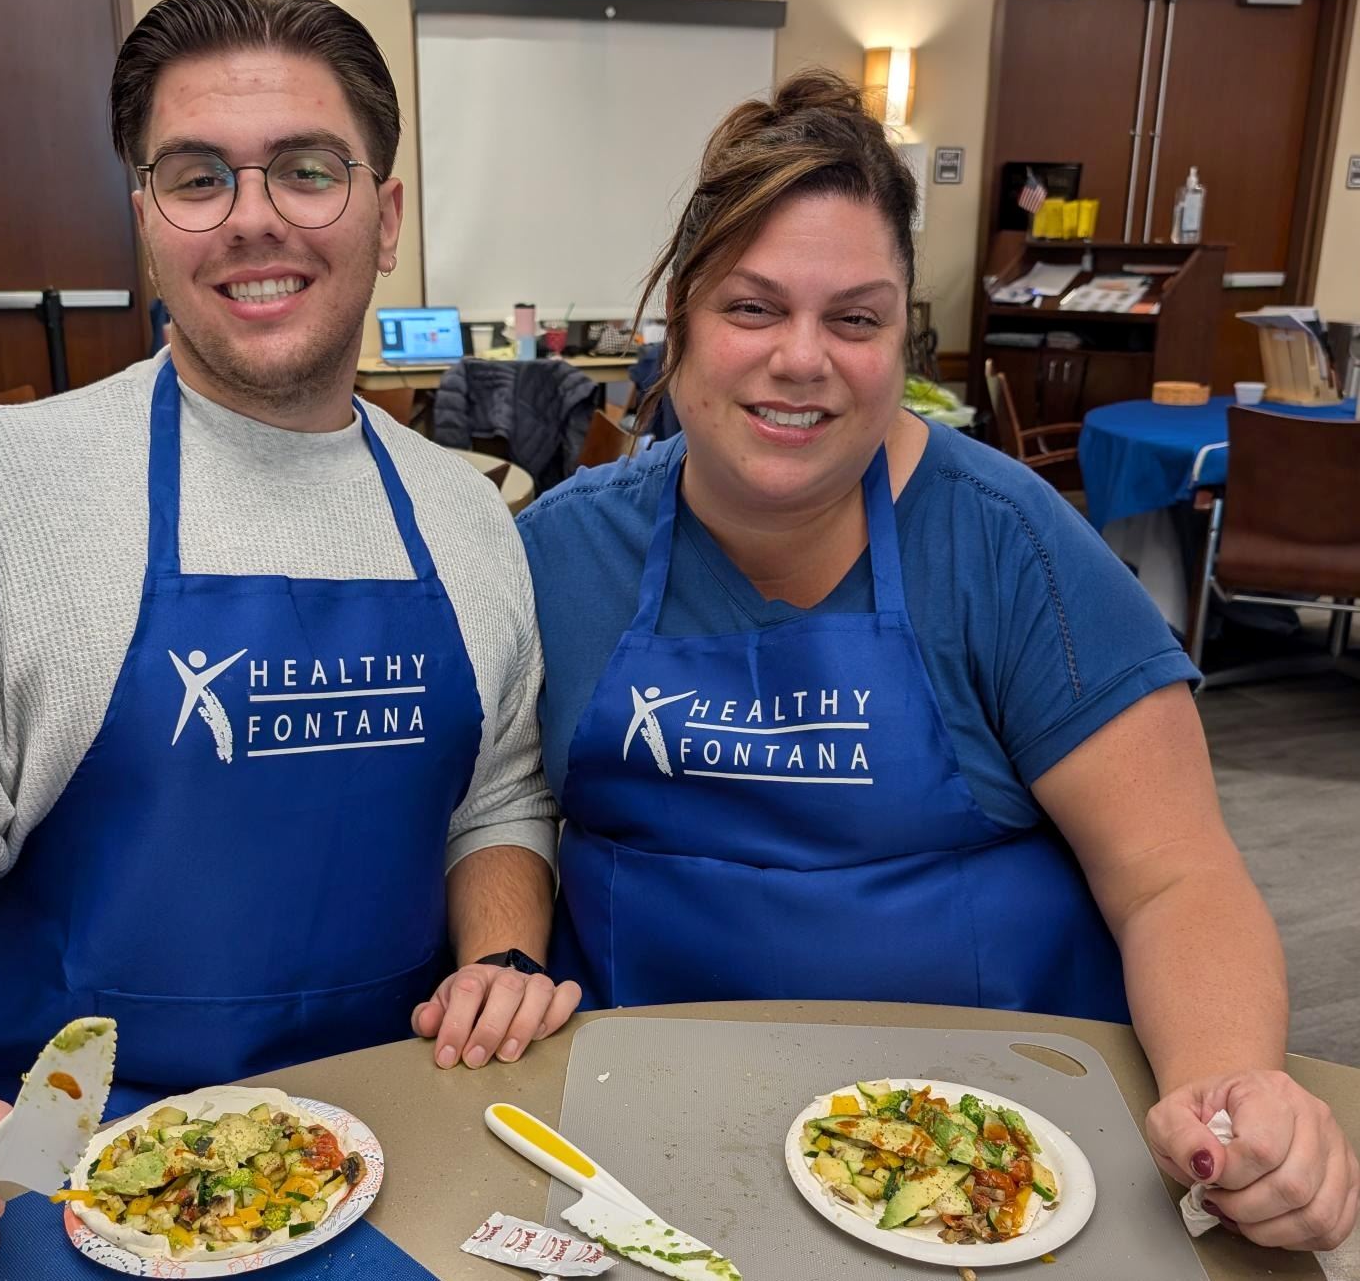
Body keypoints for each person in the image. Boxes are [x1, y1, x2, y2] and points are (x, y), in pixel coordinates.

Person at [517, 70, 1357, 1253]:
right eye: (751, 309)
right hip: (645, 1141)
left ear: (900, 337)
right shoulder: (560, 555)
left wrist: (1234, 1090)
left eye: (854, 319)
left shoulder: (1010, 548)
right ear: (679, 321)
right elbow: (492, 811)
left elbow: (1177, 877)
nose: (801, 359)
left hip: (984, 1165)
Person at [0, 0, 576, 1278]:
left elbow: (498, 796)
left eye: (308, 170)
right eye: (196, 178)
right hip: (52, 1181)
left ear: (387, 217)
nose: (254, 220)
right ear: (146, 222)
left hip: (393, 1150)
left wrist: (503, 954)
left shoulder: (468, 519)